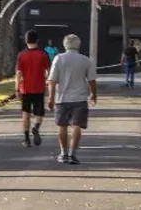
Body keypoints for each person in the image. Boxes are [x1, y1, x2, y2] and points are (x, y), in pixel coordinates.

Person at [47, 34, 96, 164]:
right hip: (80, 98)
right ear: (78, 45)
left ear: (65, 45)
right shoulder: (85, 60)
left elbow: (52, 80)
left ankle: (63, 153)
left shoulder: (58, 59)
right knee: (77, 126)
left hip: (62, 98)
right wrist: (93, 94)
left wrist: (51, 98)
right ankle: (72, 154)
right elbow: (91, 80)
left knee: (62, 126)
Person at [15, 30, 52, 147]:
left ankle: (26, 139)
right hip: (39, 88)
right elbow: (49, 71)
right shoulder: (43, 54)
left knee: (26, 113)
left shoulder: (21, 55)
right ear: (37, 41)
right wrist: (48, 81)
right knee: (39, 112)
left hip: (25, 88)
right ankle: (36, 127)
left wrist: (16, 89)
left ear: (26, 41)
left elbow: (18, 73)